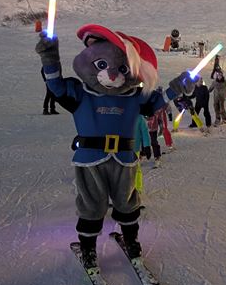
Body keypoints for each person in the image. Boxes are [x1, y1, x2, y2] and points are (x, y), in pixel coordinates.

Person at [35, 23, 195, 269]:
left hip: (124, 158)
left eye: (121, 68)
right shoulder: (82, 92)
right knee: (92, 204)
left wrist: (177, 88)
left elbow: (156, 102)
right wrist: (49, 58)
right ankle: (88, 250)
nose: (112, 74)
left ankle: (131, 242)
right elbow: (56, 87)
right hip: (91, 159)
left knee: (127, 202)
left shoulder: (132, 96)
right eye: (101, 65)